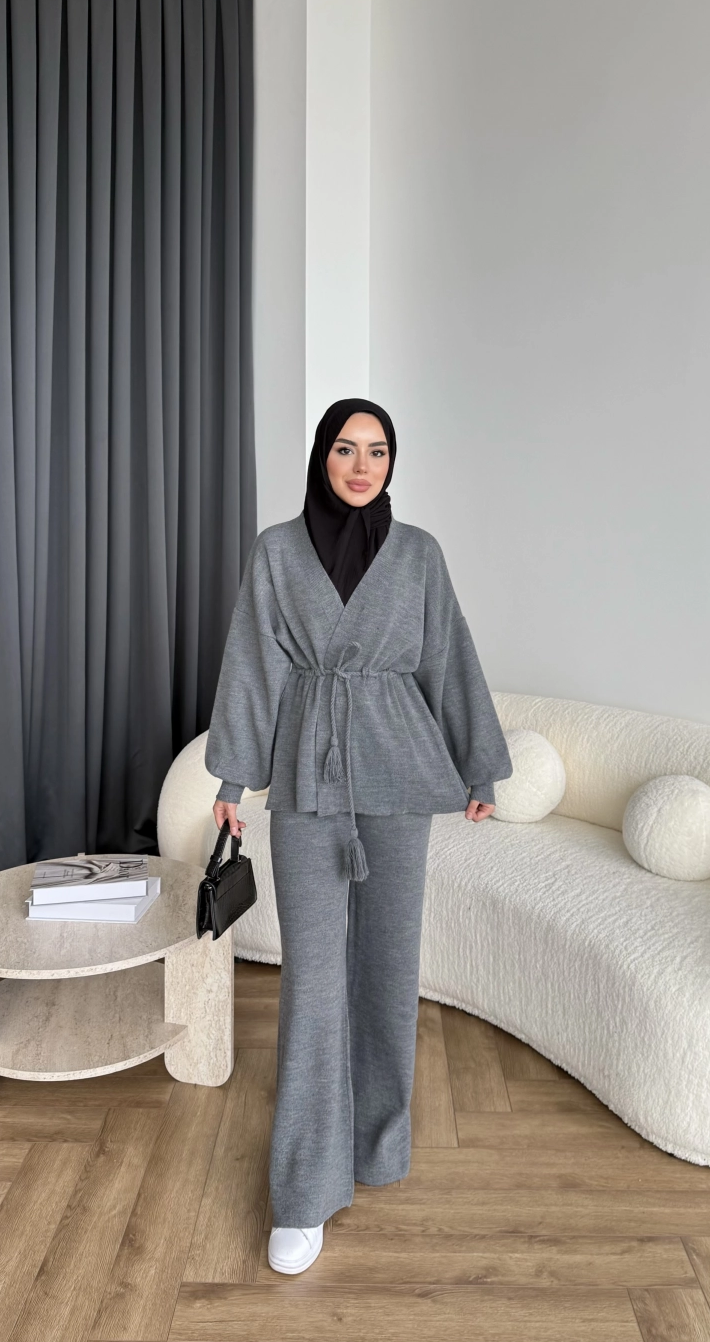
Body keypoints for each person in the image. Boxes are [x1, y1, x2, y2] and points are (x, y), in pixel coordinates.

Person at [204, 396, 512, 1274]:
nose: (362, 465)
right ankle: (304, 1188)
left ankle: (377, 1142)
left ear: (391, 462)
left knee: (387, 970)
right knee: (312, 981)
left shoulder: (419, 554)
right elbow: (253, 665)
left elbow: (448, 656)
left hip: (399, 779)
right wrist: (232, 781)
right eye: (346, 448)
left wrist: (478, 767)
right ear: (322, 456)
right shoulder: (276, 551)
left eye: (377, 450)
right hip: (308, 777)